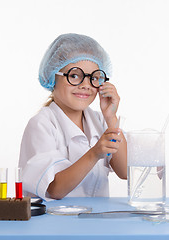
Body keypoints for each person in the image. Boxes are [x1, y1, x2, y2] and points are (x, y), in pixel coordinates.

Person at [19, 33, 127, 201]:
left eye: (93, 78)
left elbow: (125, 172)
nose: (85, 85)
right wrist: (94, 153)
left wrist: (111, 118)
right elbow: (55, 189)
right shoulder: (42, 124)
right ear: (53, 76)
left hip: (95, 223)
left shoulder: (99, 121)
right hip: (55, 224)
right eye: (74, 75)